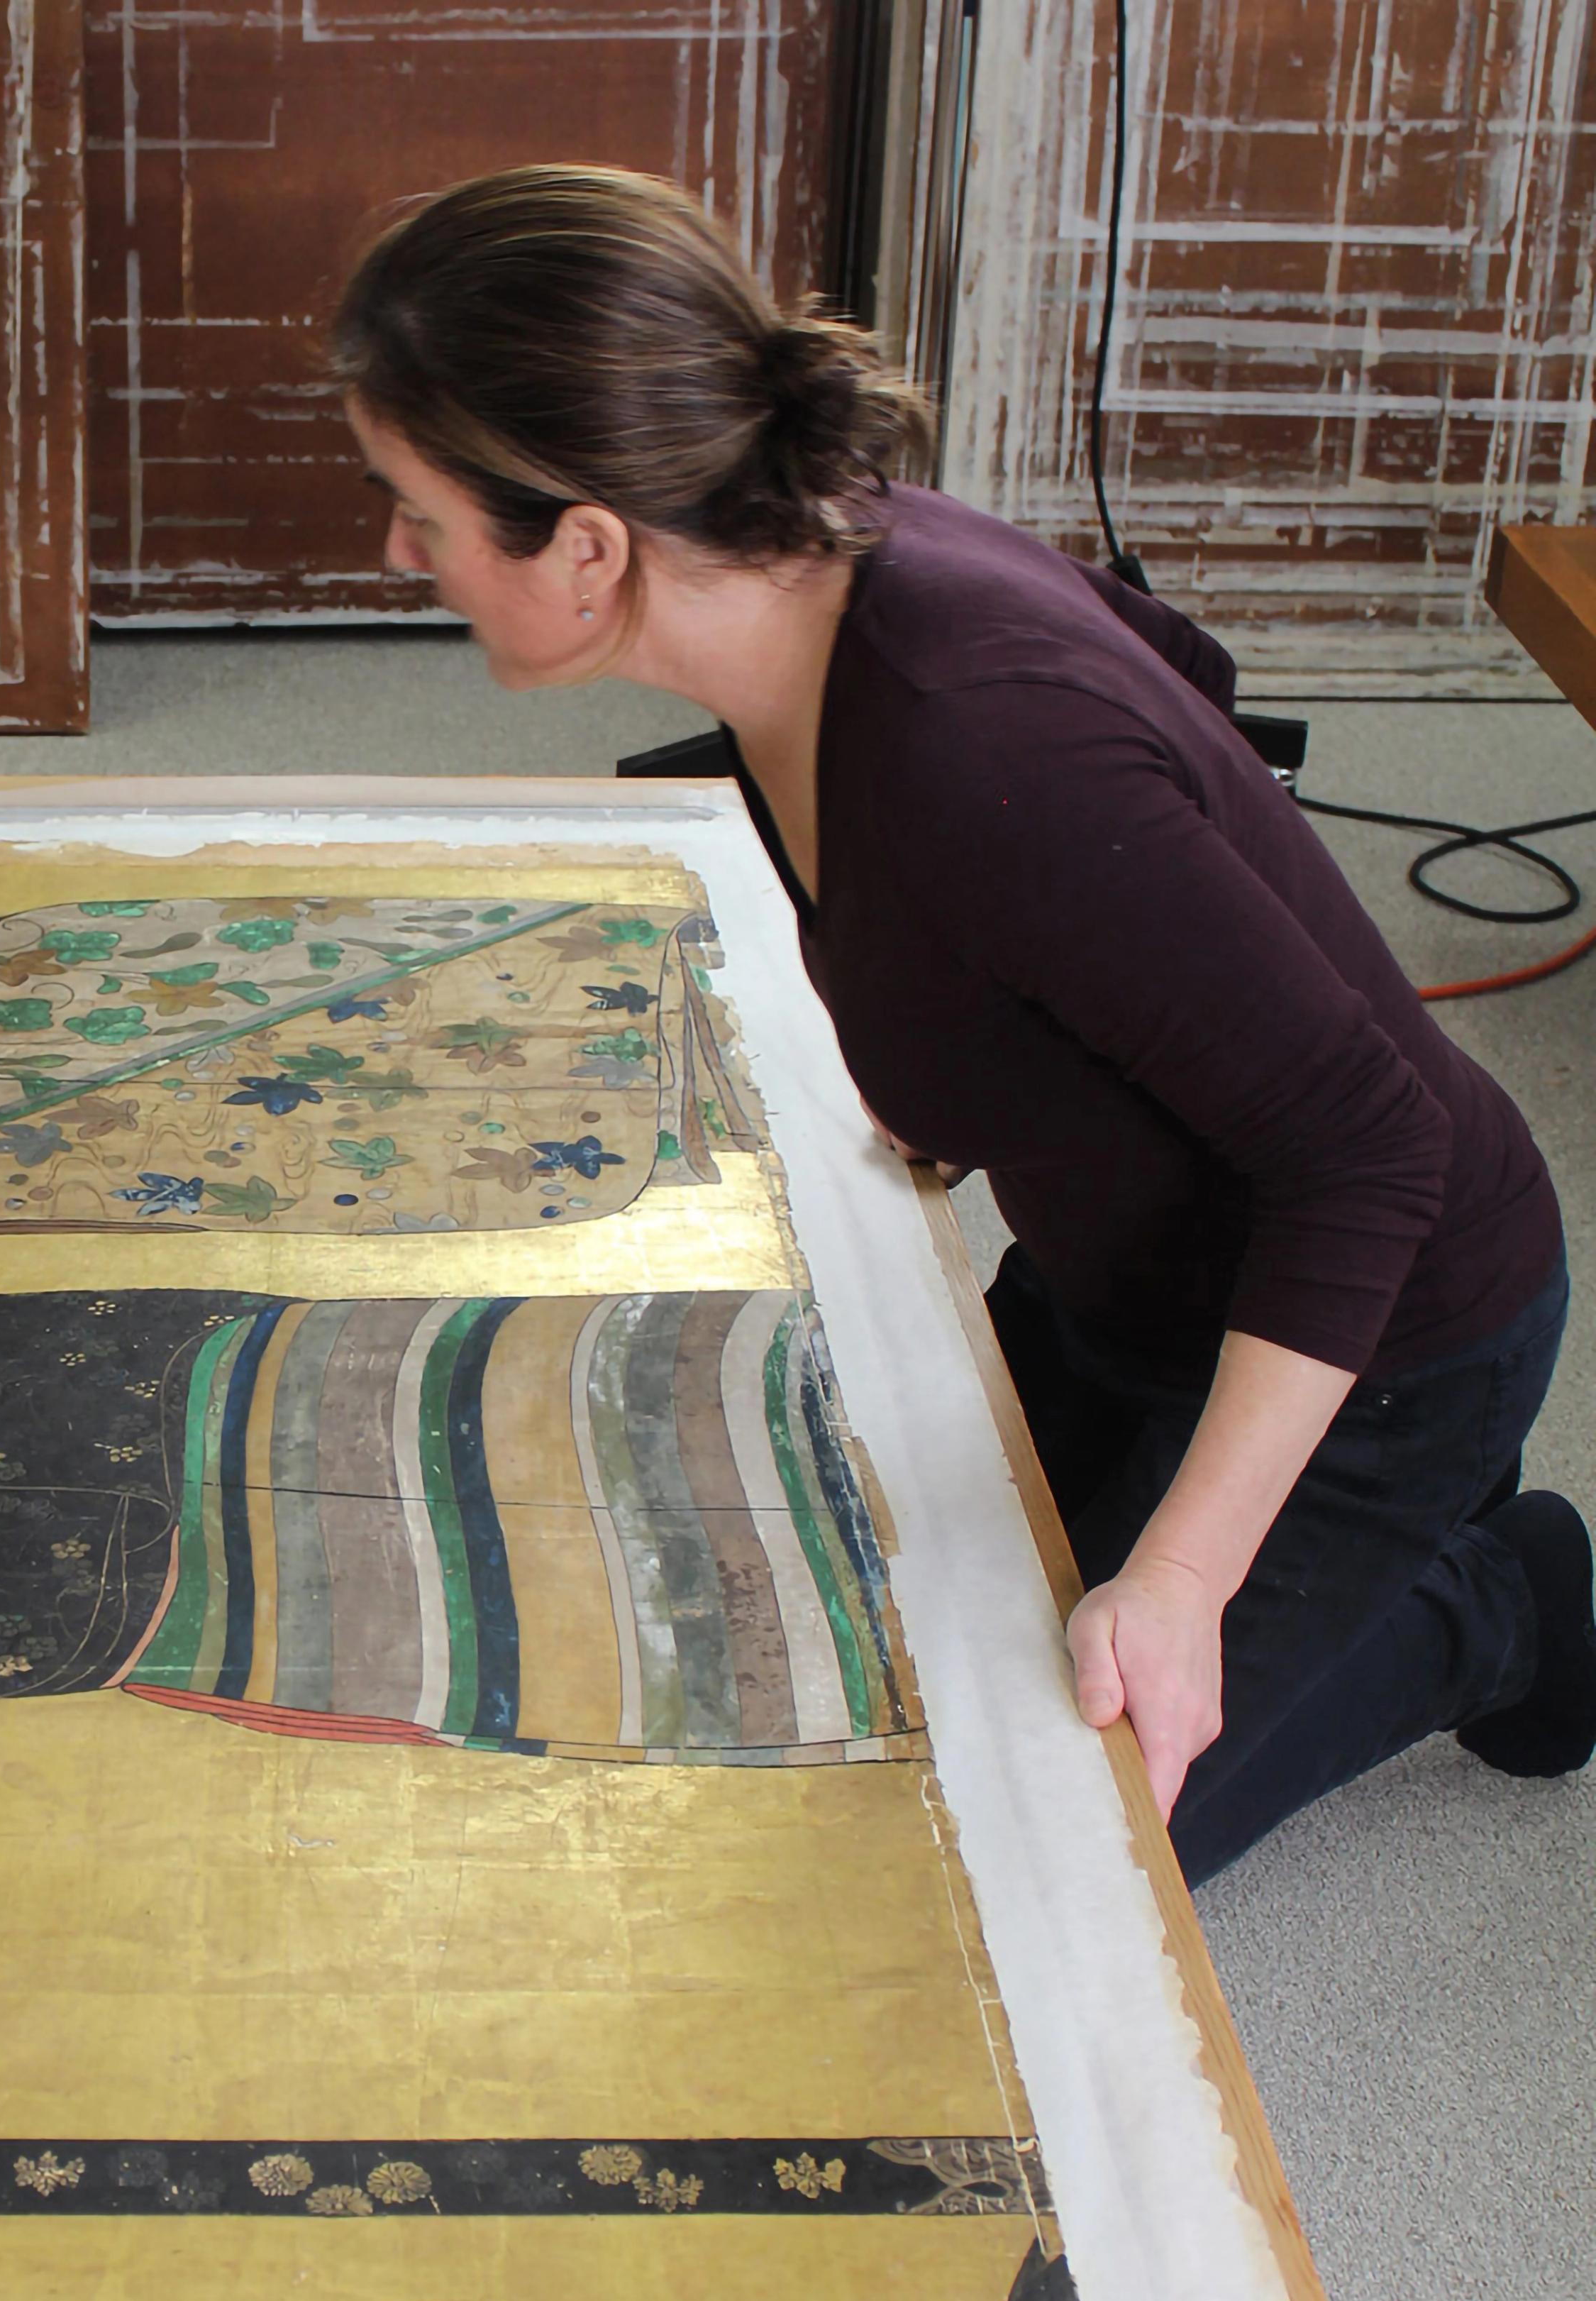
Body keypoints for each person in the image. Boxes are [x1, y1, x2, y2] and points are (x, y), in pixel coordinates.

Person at [331, 165, 1595, 1886]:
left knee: (1033, 1862)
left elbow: (1368, 1152)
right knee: (827, 1694)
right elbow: (1182, 666)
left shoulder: (973, 746)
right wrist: (994, 1030)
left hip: (1384, 1334)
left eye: (417, 510)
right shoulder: (824, 572)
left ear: (590, 543)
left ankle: (1502, 1592)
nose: (396, 550)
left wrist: (1184, 1578)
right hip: (1127, 1291)